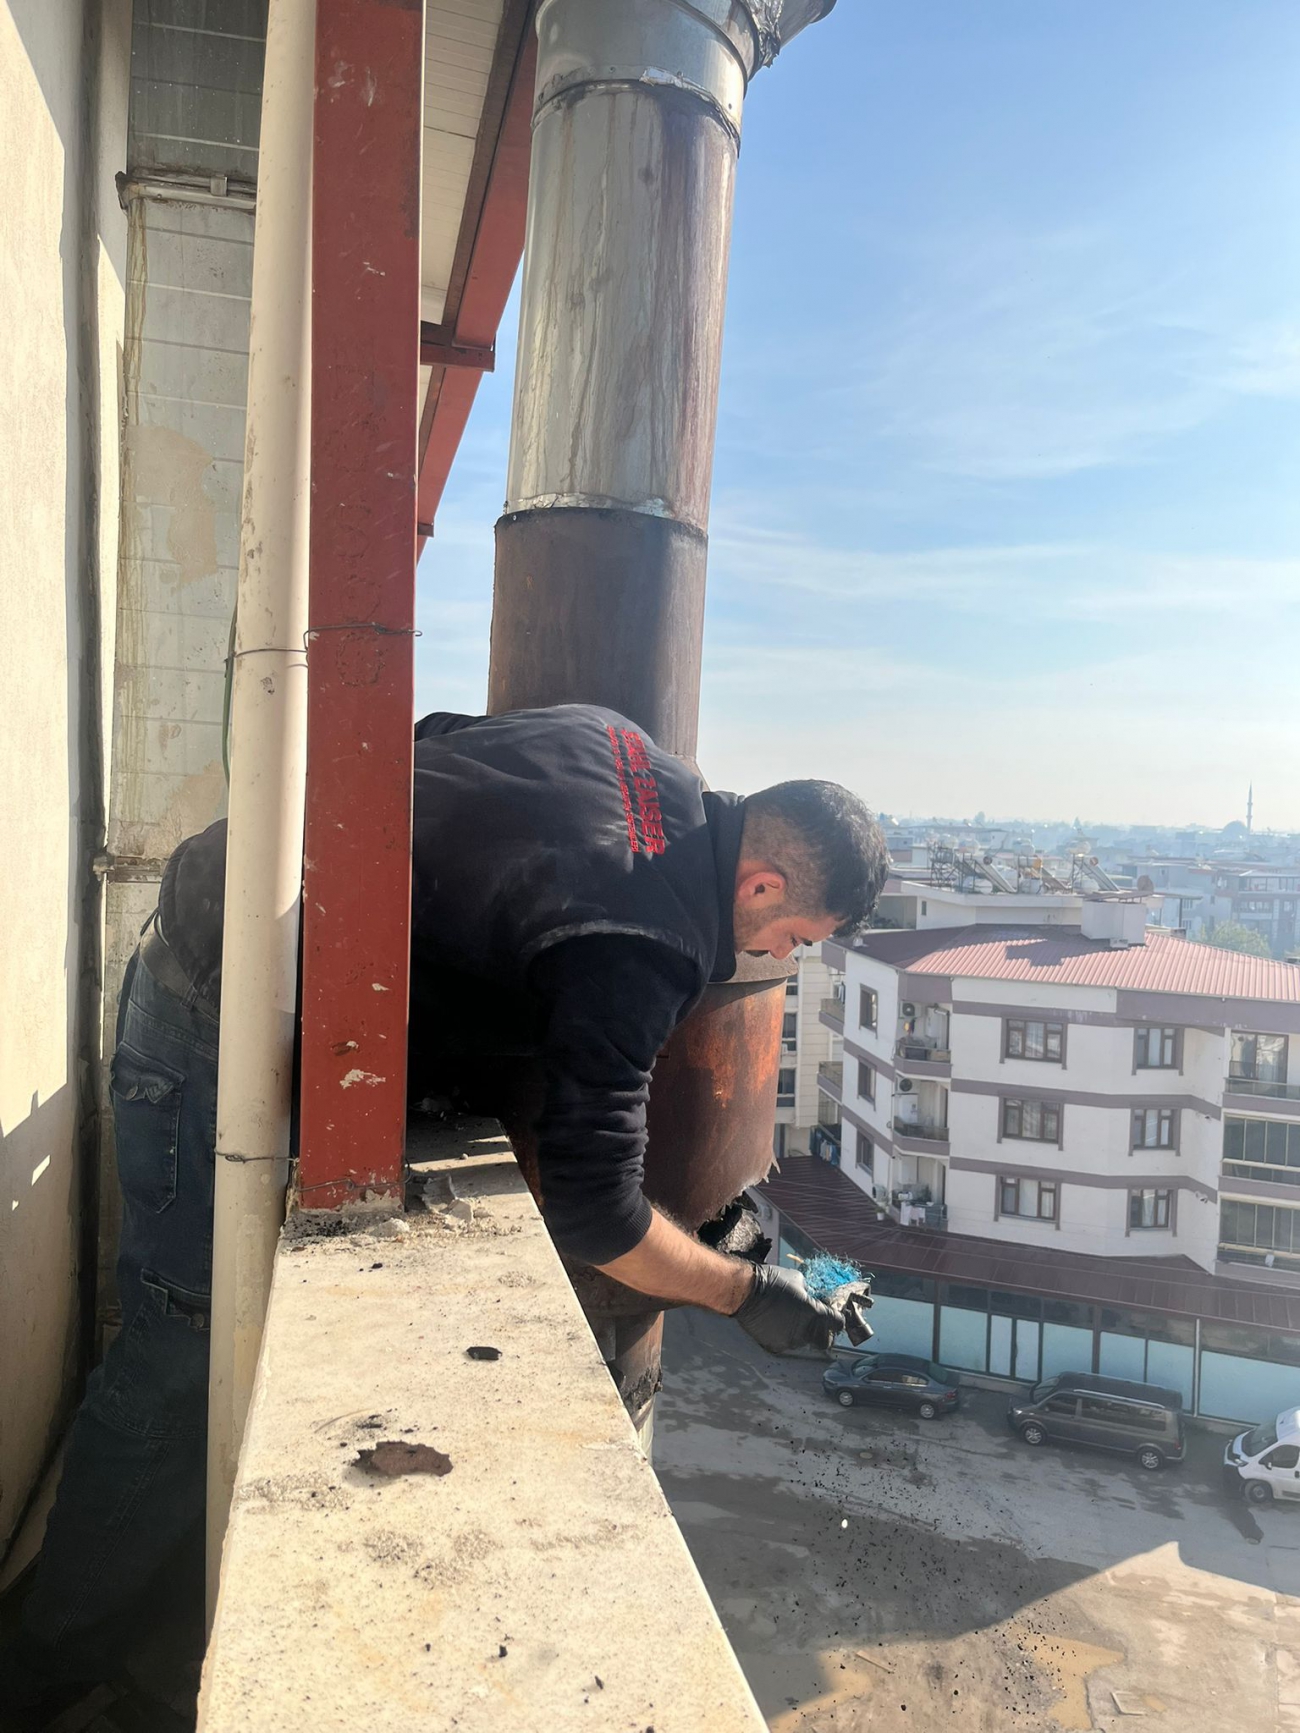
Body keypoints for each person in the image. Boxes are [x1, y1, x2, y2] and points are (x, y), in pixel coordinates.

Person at [0, 702, 886, 1727]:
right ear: (762, 882)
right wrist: (744, 1291)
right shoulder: (651, 937)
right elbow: (598, 1213)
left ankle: (118, 1613)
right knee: (178, 1337)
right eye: (793, 937)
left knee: (206, 1337)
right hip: (220, 1012)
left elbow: (422, 740)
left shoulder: (621, 747)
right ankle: (44, 1659)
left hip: (219, 932)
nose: (777, 955)